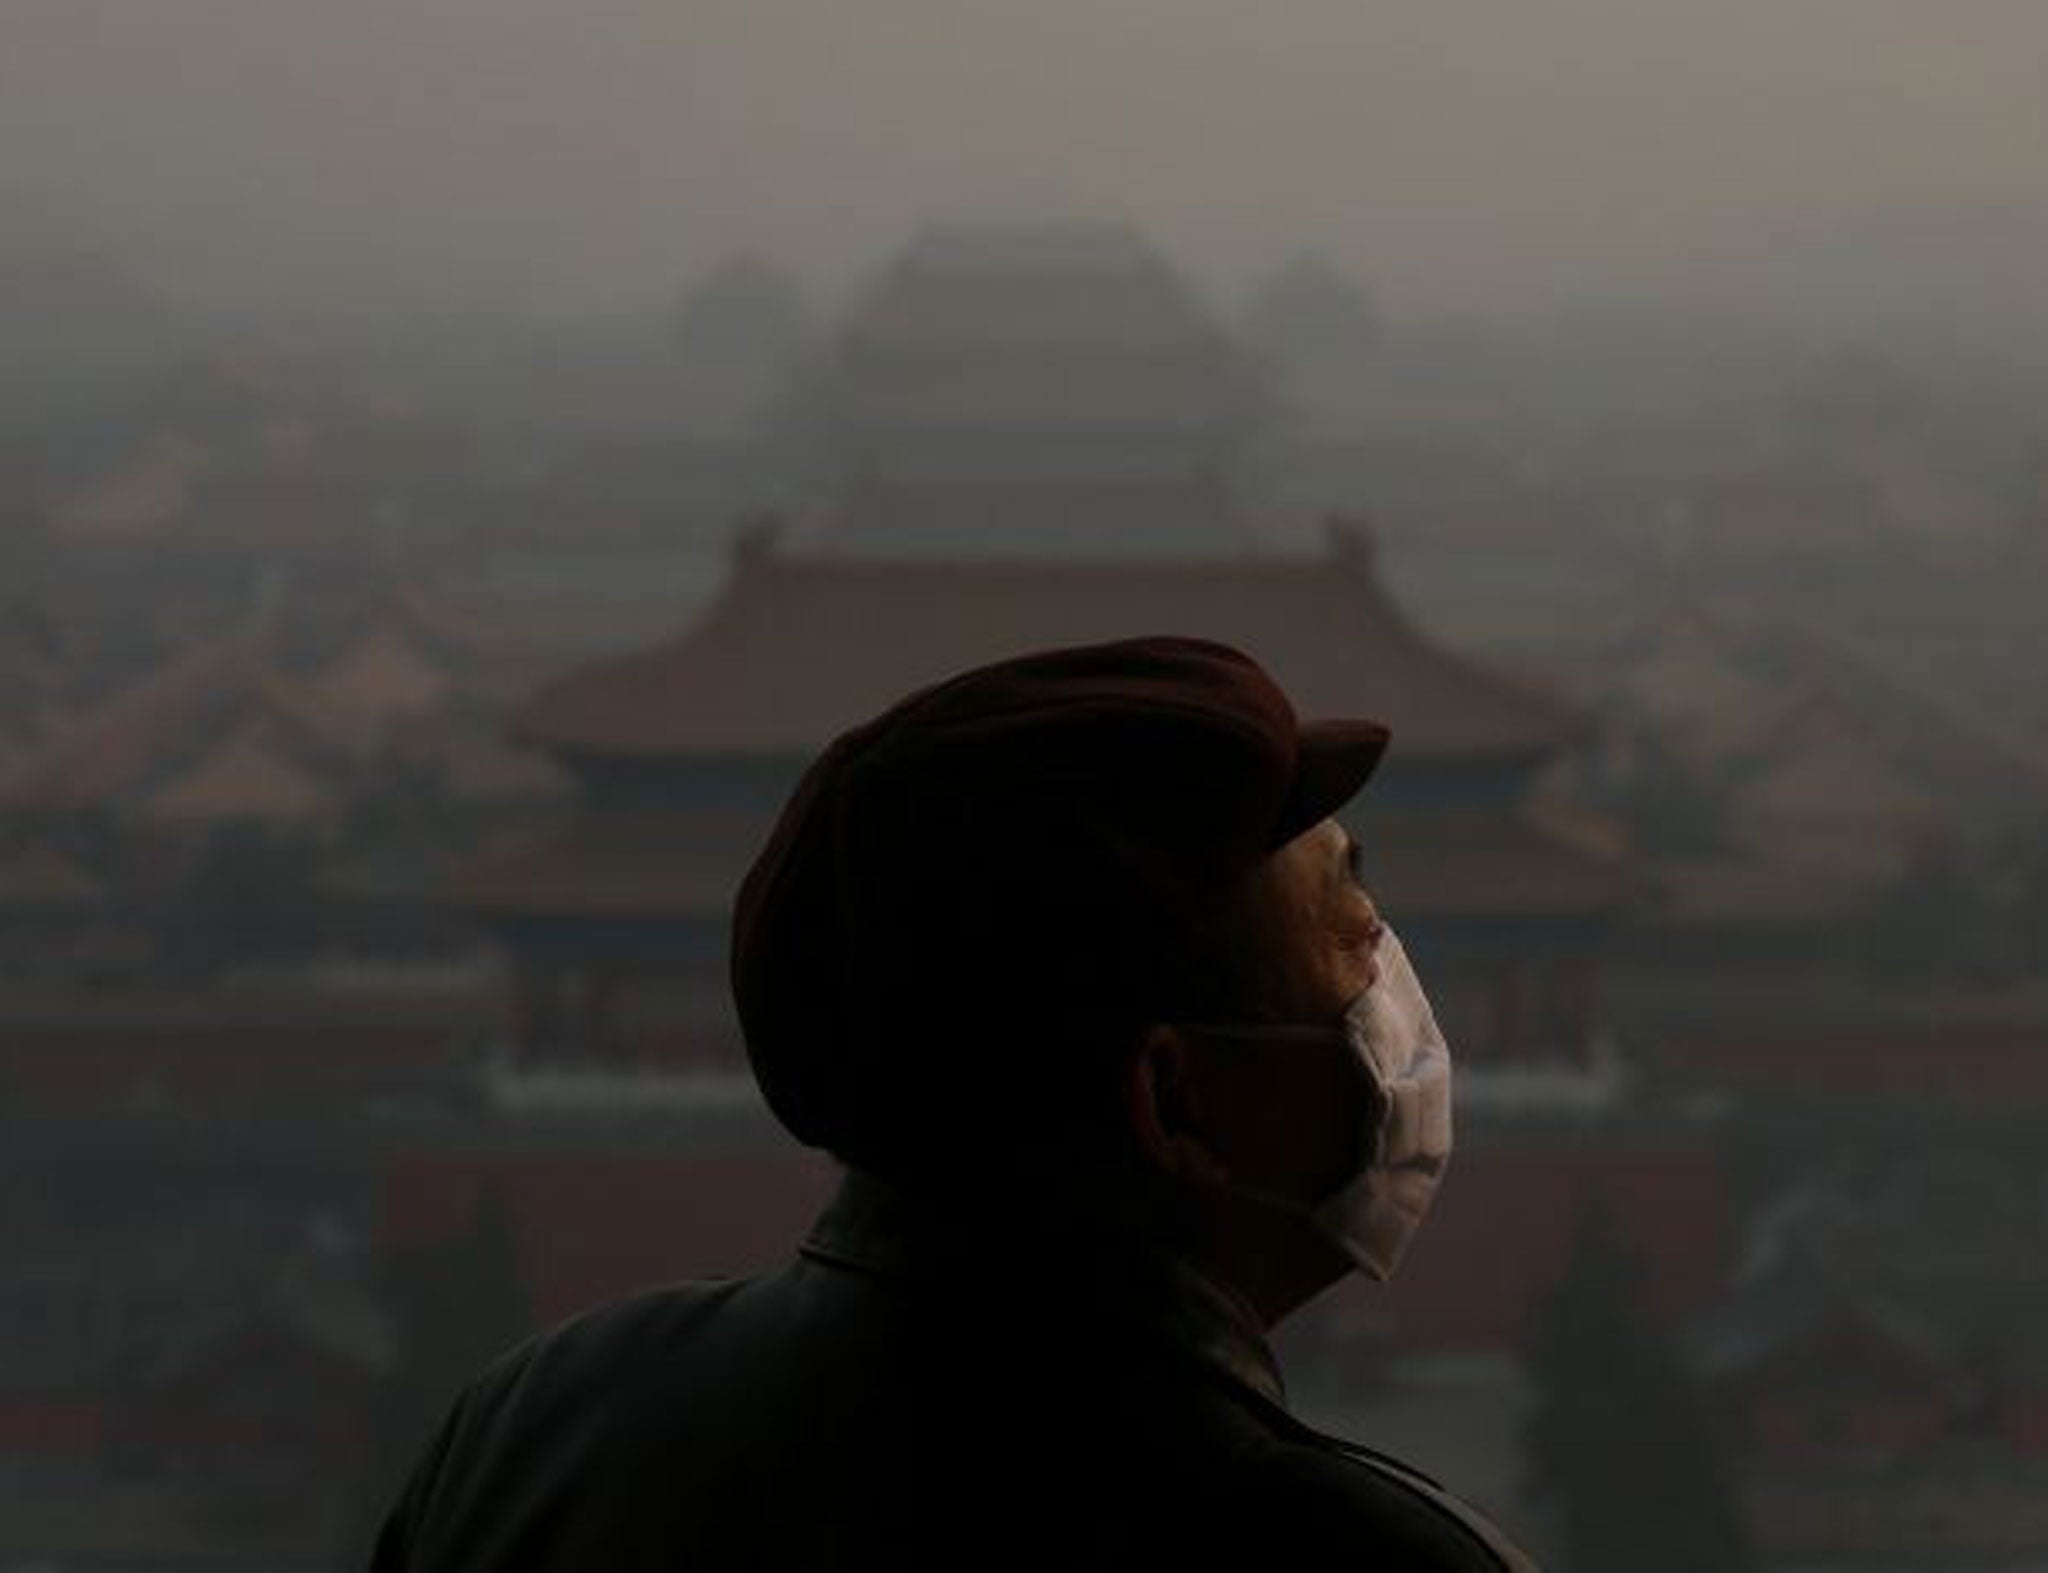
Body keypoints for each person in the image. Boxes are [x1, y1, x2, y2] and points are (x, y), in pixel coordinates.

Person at [369, 636, 1537, 1570]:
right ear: (1173, 1096)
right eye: (1352, 929)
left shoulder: (532, 1432)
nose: (1389, 976)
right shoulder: (1347, 1552)